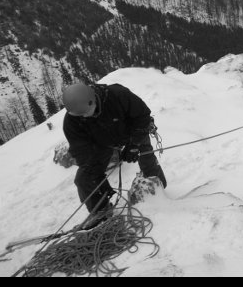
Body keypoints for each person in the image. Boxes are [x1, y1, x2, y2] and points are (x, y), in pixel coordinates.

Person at [62, 82, 167, 229]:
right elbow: (82, 151)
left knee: (147, 158)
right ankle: (101, 211)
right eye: (80, 114)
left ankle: (159, 187)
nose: (84, 116)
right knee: (84, 178)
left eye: (86, 111)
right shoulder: (72, 120)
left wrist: (134, 145)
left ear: (93, 100)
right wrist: (97, 177)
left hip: (132, 131)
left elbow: (142, 116)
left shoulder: (118, 95)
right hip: (102, 143)